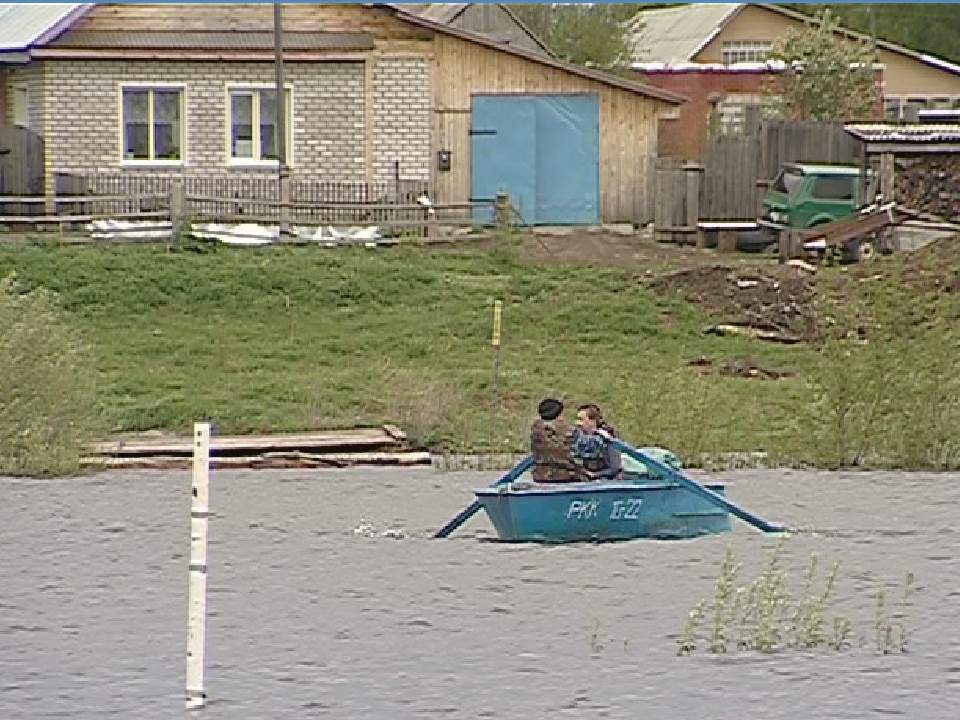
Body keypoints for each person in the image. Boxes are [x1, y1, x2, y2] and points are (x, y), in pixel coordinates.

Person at [529, 398, 584, 483]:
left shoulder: (536, 432)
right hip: (568, 477)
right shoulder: (568, 433)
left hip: (540, 477)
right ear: (559, 415)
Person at [572, 403, 623, 481]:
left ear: (592, 421)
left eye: (581, 419)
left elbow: (614, 468)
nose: (577, 423)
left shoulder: (607, 439)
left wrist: (594, 475)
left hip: (605, 482)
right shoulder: (576, 437)